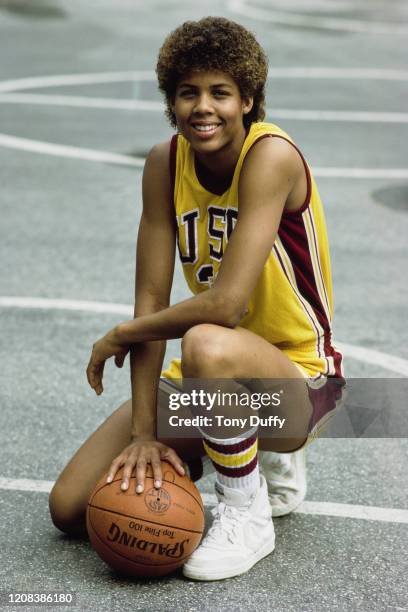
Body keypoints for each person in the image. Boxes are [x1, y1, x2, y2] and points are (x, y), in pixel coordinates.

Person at [49, 16, 345, 581]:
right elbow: (151, 300)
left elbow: (225, 305)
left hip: (300, 383)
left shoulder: (271, 157)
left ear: (248, 98)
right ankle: (222, 442)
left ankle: (246, 509)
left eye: (220, 93)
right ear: (170, 101)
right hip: (210, 380)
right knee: (73, 509)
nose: (203, 107)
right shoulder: (164, 165)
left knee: (208, 339)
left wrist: (121, 335)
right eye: (188, 93)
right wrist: (142, 434)